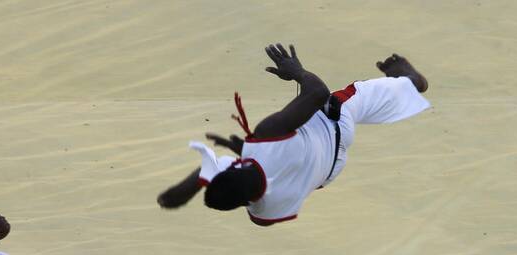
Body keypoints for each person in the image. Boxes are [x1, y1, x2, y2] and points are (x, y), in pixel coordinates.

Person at [156, 44, 430, 226]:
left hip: (328, 170)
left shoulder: (262, 213)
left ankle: (403, 87)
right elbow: (317, 92)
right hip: (334, 124)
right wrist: (296, 73)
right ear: (237, 168)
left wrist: (176, 197)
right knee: (352, 95)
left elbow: (260, 174)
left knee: (304, 128)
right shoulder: (264, 138)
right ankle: (410, 82)